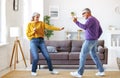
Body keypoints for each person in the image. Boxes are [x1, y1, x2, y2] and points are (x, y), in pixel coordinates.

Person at [26, 12, 64, 76]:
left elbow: (50, 27)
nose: (38, 18)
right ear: (33, 17)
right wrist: (33, 31)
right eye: (36, 17)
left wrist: (59, 29)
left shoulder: (41, 23)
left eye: (38, 17)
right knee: (36, 57)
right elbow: (28, 35)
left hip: (41, 41)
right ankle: (33, 71)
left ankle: (51, 70)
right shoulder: (29, 24)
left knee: (47, 56)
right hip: (33, 41)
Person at [70, 8, 105, 78]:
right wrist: (96, 38)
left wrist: (76, 22)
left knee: (82, 55)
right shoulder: (96, 19)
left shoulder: (90, 19)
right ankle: (101, 71)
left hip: (89, 41)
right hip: (94, 41)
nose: (83, 15)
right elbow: (101, 31)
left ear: (88, 13)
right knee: (94, 55)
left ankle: (79, 73)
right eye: (82, 14)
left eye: (83, 13)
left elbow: (84, 27)